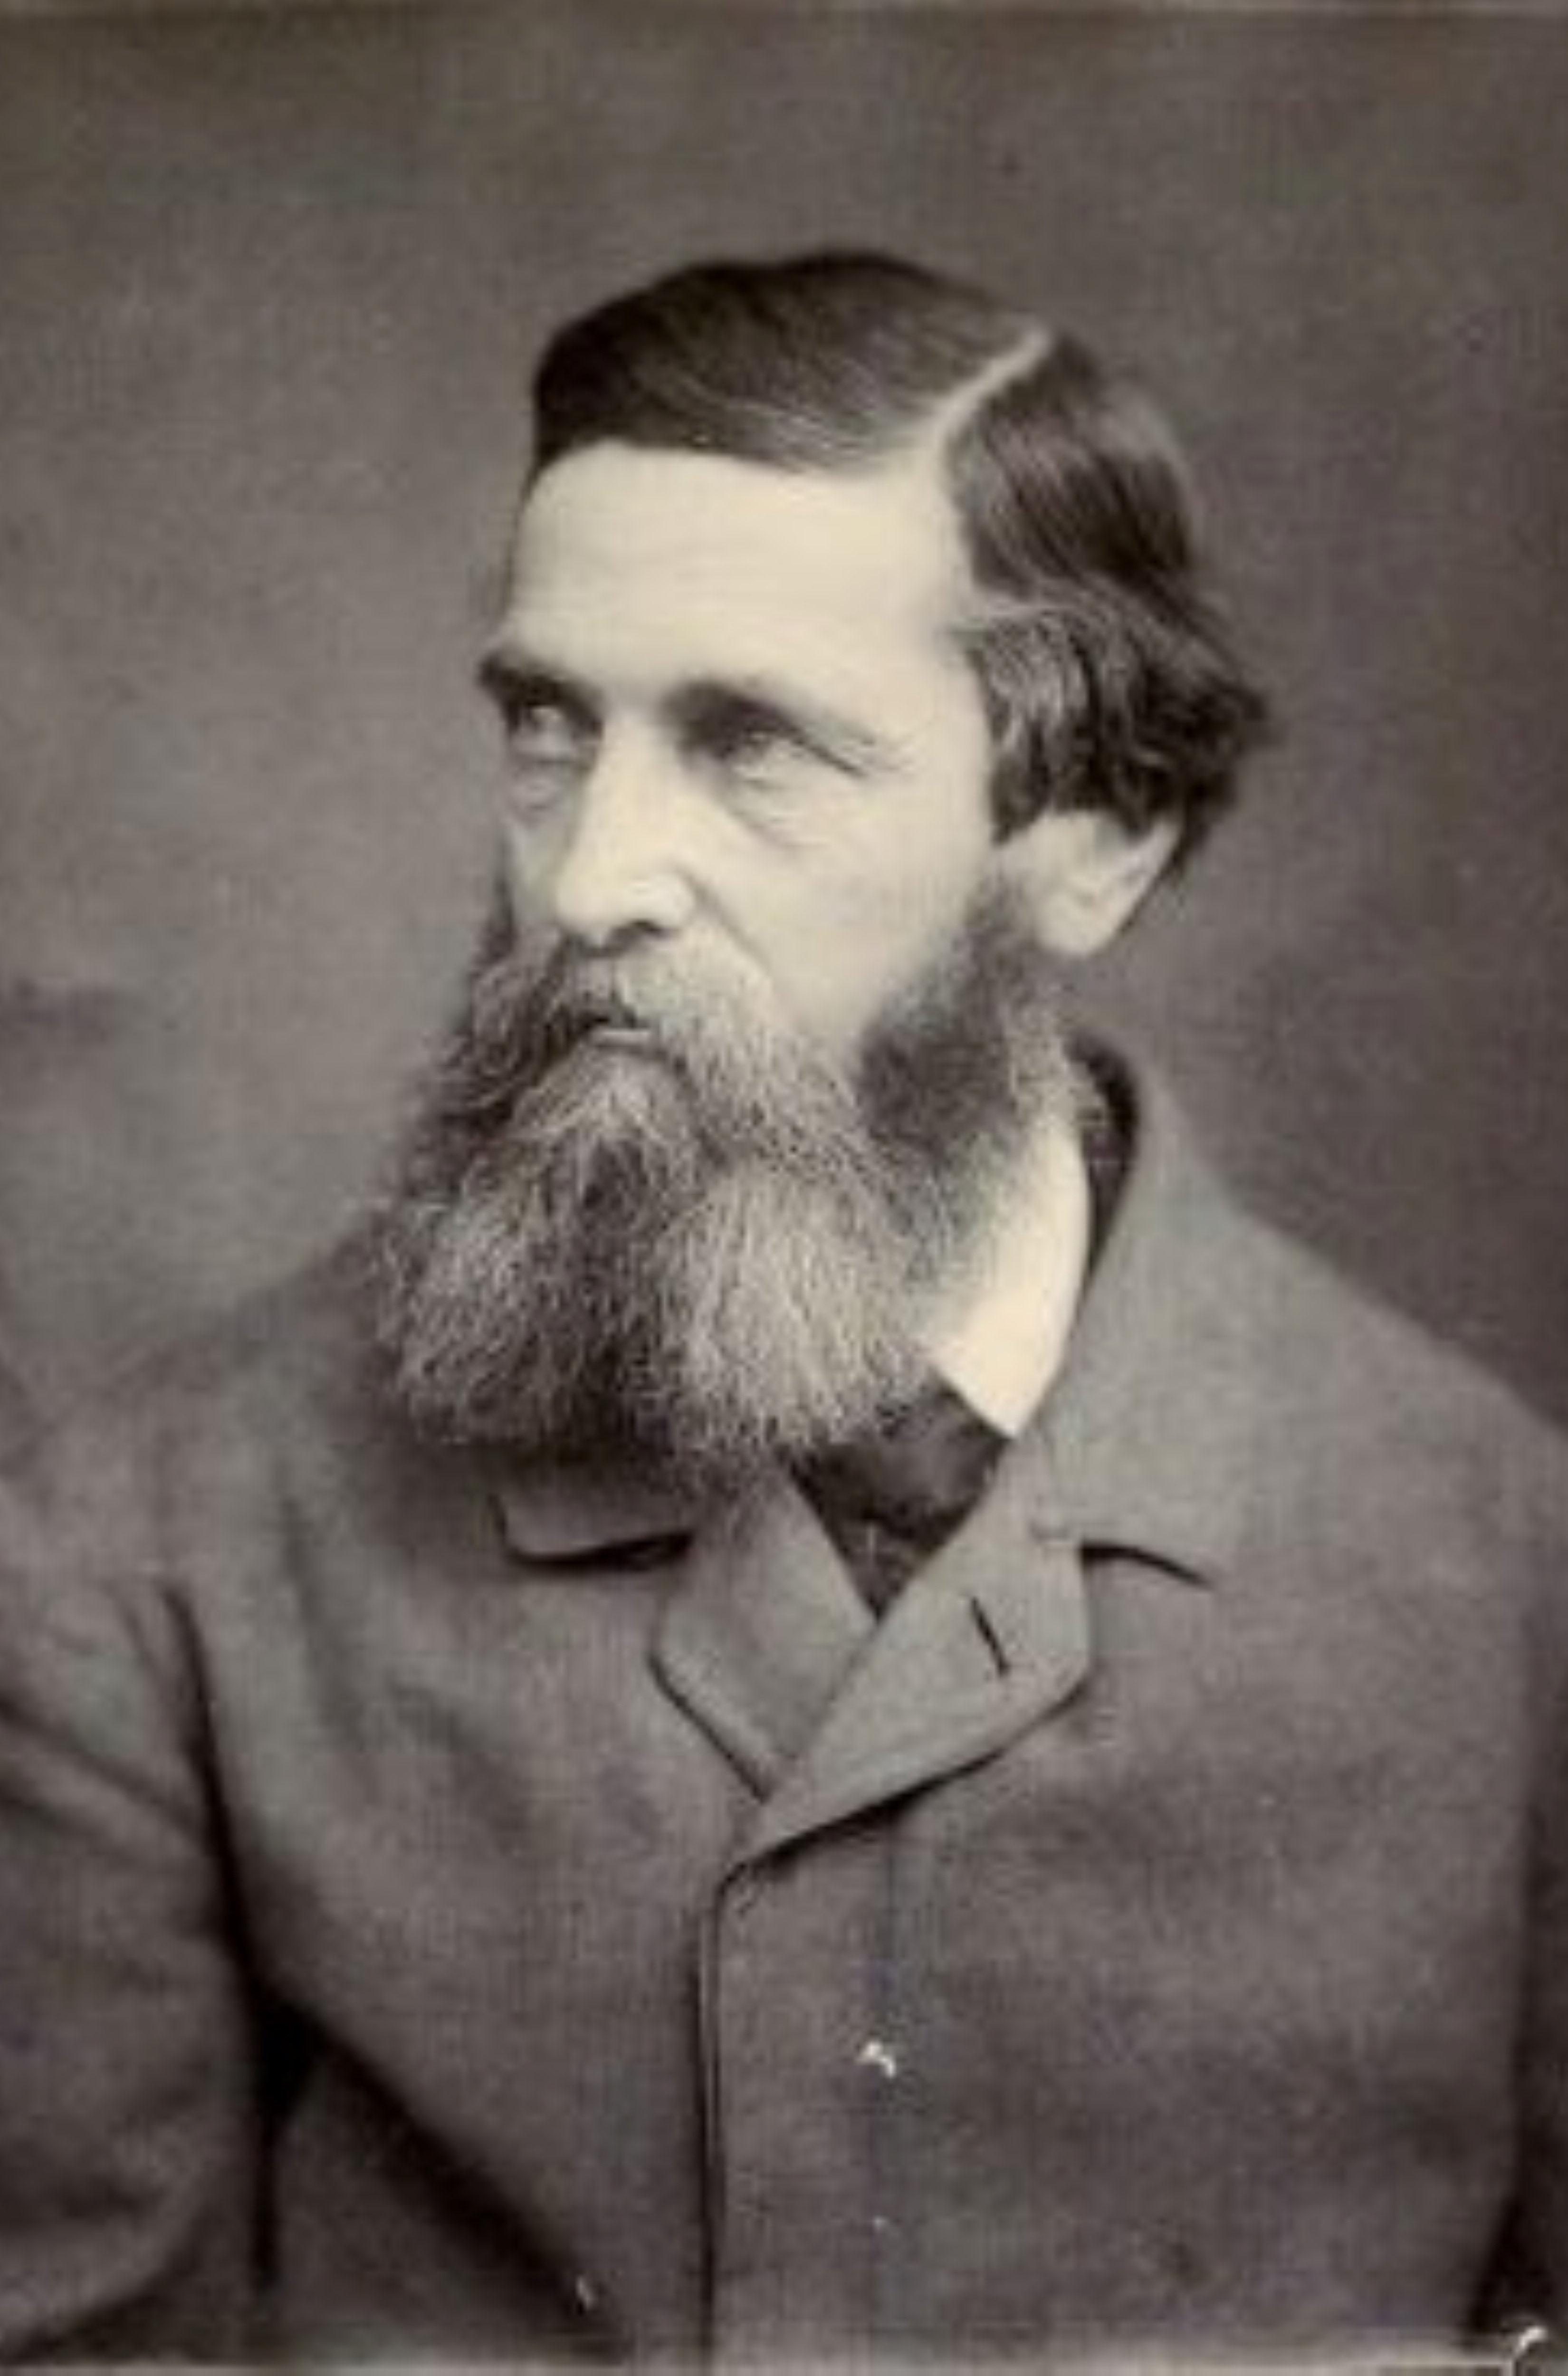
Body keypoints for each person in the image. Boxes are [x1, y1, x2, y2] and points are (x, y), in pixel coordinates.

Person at [0, 251, 1564, 2367]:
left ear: (1095, 839)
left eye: (753, 747)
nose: (589, 880)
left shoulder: (1510, 1574)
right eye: (549, 726)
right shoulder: (146, 1550)